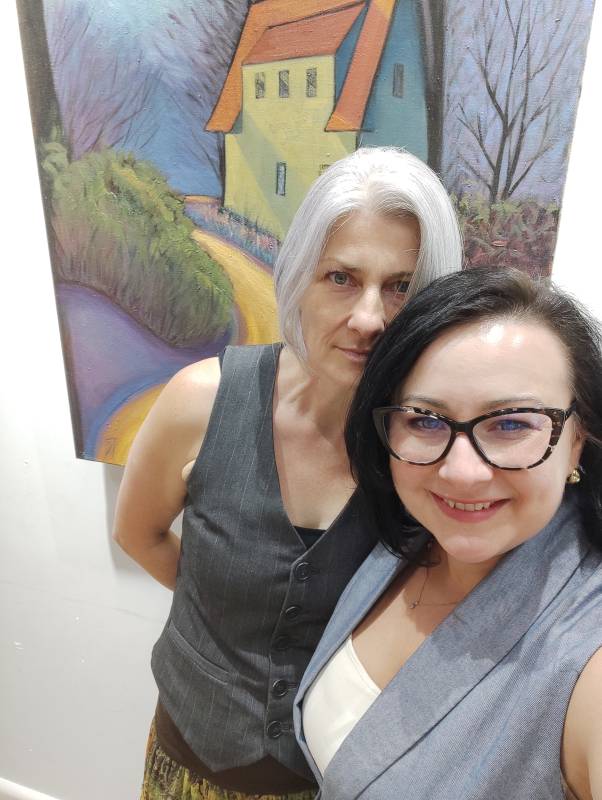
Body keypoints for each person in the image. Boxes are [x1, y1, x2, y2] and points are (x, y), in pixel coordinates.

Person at [112, 146, 463, 800]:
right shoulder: (201, 402)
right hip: (187, 763)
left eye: (400, 286)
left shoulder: (432, 452)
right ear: (300, 276)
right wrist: (217, 615)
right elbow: (138, 533)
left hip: (336, 779)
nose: (370, 318)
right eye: (341, 277)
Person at [294, 267, 602, 800]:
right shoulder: (408, 538)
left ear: (578, 438)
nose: (461, 472)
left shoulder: (584, 650)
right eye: (425, 420)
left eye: (511, 424)